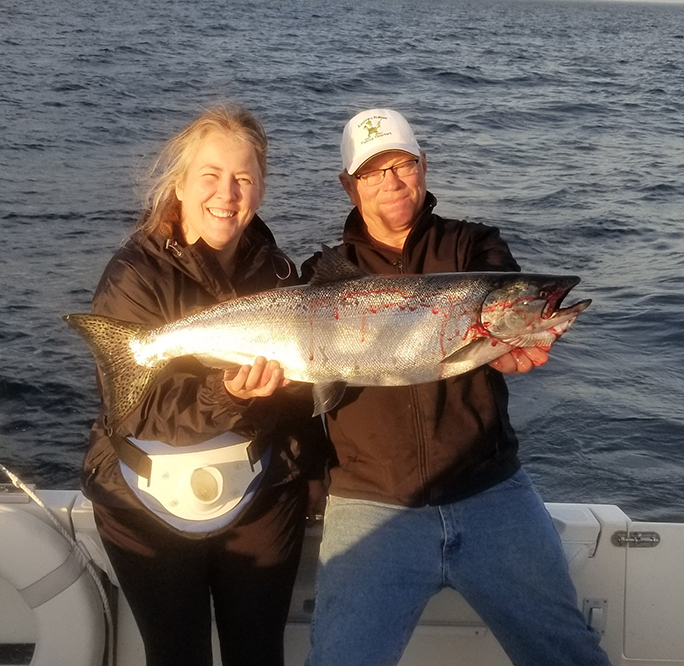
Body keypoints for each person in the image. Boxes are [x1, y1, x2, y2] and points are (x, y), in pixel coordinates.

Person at [303, 109, 612, 666]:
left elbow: (510, 325)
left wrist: (516, 352)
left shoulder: (474, 248)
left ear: (423, 165)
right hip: (370, 503)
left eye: (401, 165)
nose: (391, 183)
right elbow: (298, 382)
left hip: (490, 493)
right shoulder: (324, 273)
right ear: (348, 185)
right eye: (373, 173)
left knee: (570, 655)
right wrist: (248, 386)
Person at [80, 104, 327, 666]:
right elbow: (134, 414)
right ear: (181, 184)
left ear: (261, 188)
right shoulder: (134, 274)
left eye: (243, 178)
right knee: (177, 655)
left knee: (259, 653)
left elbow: (301, 394)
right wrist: (229, 395)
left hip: (261, 490)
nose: (227, 193)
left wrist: (311, 468)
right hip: (145, 496)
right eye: (211, 176)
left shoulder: (281, 274)